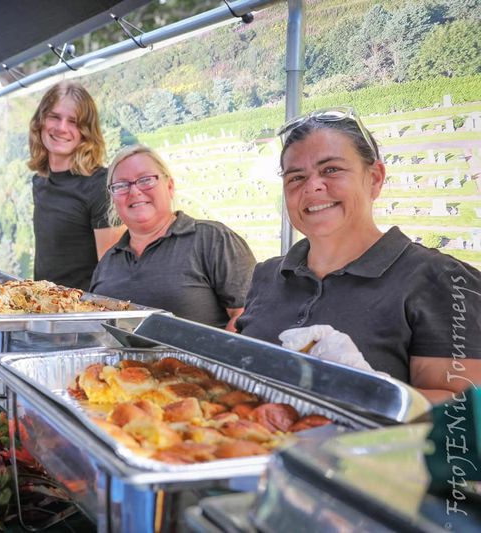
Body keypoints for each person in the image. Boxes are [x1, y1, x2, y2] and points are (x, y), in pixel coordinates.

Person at [236, 107, 481, 403]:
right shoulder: (267, 275)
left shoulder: (441, 280)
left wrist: (355, 390)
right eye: (296, 177)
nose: (313, 186)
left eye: (331, 170)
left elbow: (460, 413)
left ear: (375, 178)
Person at [90, 144, 256, 330]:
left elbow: (249, 314)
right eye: (121, 185)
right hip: (115, 361)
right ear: (113, 198)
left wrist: (212, 354)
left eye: (145, 180)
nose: (134, 191)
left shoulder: (213, 239)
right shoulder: (108, 261)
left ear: (169, 186)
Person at [28, 81, 124, 291]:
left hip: (82, 316)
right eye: (54, 116)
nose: (62, 128)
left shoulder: (101, 185)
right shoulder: (39, 181)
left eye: (73, 121)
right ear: (41, 121)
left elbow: (112, 274)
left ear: (86, 132)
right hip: (43, 310)